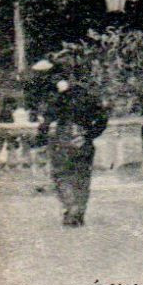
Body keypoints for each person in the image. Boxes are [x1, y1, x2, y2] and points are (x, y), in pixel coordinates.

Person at [36, 65, 109, 227]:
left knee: (61, 174)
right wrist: (89, 134)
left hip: (63, 139)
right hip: (83, 140)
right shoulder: (90, 97)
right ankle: (79, 212)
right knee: (82, 177)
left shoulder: (58, 97)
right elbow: (103, 119)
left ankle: (71, 207)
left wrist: (40, 139)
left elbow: (45, 122)